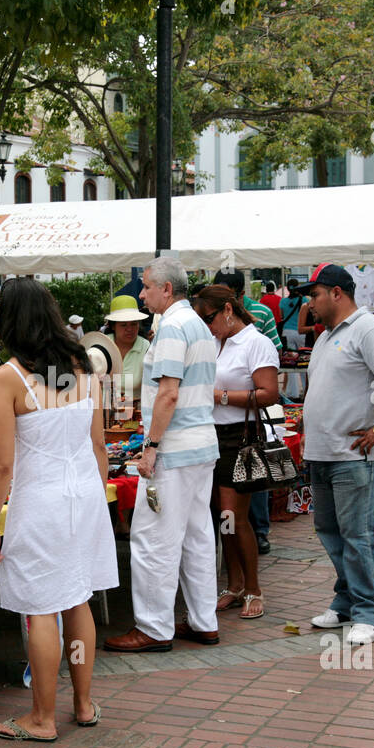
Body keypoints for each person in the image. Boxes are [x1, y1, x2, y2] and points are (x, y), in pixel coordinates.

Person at [0, 278, 116, 741]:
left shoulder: (7, 378)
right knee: (77, 598)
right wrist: (95, 499)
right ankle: (82, 704)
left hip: (40, 502)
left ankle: (41, 718)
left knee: (41, 606)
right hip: (84, 496)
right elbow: (99, 445)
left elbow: (1, 464)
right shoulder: (84, 366)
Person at [105, 257, 220, 652]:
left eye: (148, 286)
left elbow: (169, 393)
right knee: (197, 536)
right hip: (201, 445)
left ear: (166, 289)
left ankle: (153, 628)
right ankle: (204, 621)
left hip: (175, 449)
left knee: (153, 539)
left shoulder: (172, 326)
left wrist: (151, 447)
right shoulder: (197, 325)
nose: (142, 293)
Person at [299, 264, 374, 646]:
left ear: (337, 294)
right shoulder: (327, 336)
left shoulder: (370, 329)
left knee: (358, 534)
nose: (309, 303)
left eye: (314, 295)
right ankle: (346, 602)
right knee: (330, 531)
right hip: (325, 452)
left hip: (356, 455)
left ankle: (368, 612)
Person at [193, 284, 279, 621]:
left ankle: (254, 588)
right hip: (211, 434)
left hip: (239, 436)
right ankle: (235, 584)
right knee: (220, 517)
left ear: (228, 309)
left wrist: (222, 396)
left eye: (210, 318)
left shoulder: (256, 343)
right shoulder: (214, 342)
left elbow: (269, 393)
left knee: (232, 516)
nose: (208, 325)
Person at [105, 294, 151, 410]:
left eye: (134, 324)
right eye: (123, 325)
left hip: (133, 417)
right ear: (113, 326)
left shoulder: (146, 347)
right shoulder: (101, 345)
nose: (129, 329)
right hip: (103, 415)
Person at [278, 283, 305, 350]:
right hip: (301, 332)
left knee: (290, 355)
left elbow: (281, 316)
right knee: (303, 355)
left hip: (287, 331)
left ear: (288, 289)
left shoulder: (283, 301)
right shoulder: (304, 300)